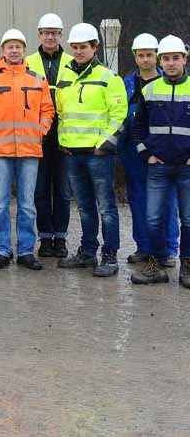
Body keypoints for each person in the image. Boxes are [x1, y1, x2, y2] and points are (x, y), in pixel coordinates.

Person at [0, 29, 54, 270]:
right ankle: (1, 250)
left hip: (30, 149)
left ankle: (26, 251)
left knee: (27, 204)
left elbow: (48, 110)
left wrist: (41, 131)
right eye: (10, 47)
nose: (14, 50)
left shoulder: (37, 79)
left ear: (24, 49)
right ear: (3, 51)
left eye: (18, 46)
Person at [56, 23, 127, 278]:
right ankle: (88, 252)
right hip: (73, 153)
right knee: (85, 207)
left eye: (83, 47)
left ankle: (109, 255)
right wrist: (63, 141)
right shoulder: (65, 76)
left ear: (94, 47)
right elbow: (61, 113)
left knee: (106, 207)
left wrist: (104, 145)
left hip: (98, 155)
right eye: (74, 47)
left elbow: (119, 115)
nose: (78, 51)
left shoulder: (109, 78)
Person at [130, 35, 190, 288]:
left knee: (188, 219)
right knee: (153, 218)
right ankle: (155, 266)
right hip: (158, 165)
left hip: (186, 167)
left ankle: (187, 265)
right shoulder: (149, 90)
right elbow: (138, 126)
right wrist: (146, 153)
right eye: (166, 58)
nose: (171, 63)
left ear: (184, 59)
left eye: (176, 58)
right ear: (160, 60)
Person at [120, 33, 178, 266]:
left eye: (150, 55)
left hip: (164, 149)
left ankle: (168, 248)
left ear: (157, 56)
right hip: (133, 151)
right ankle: (144, 247)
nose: (146, 60)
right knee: (138, 197)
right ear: (134, 57)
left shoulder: (171, 82)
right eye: (141, 55)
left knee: (167, 199)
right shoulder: (126, 84)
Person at [26, 13, 72, 258]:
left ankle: (61, 238)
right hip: (37, 135)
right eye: (46, 32)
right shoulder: (28, 62)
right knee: (40, 191)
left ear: (61, 35)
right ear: (39, 34)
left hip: (64, 137)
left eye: (55, 32)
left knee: (63, 192)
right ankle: (45, 238)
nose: (50, 36)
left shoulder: (72, 62)